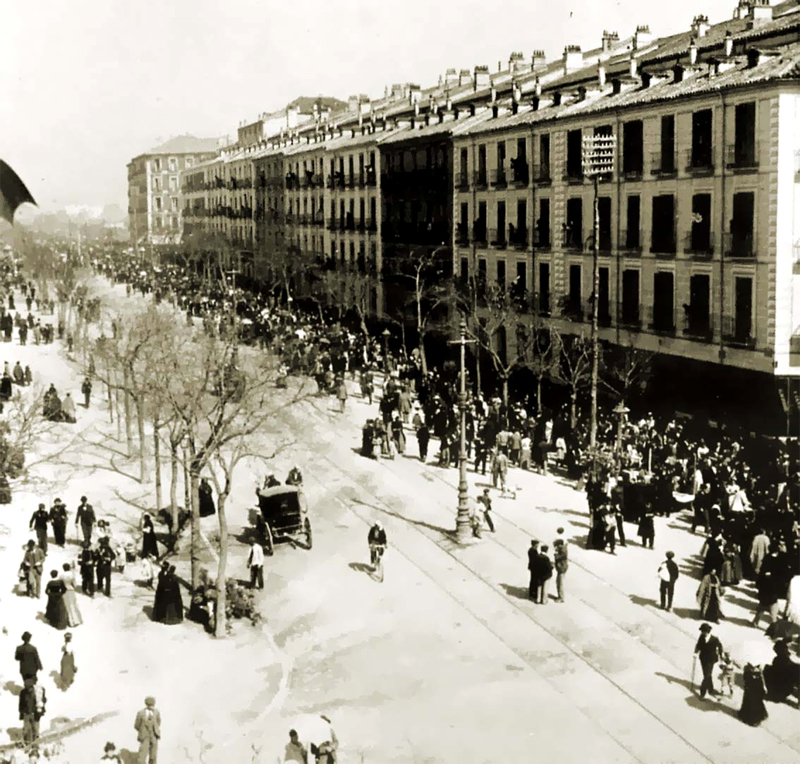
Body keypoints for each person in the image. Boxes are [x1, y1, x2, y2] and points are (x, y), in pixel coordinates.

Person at [694, 622, 723, 699]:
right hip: (703, 659)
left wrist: (721, 655)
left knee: (707, 676)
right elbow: (698, 645)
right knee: (707, 674)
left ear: (707, 631)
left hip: (711, 660)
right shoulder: (701, 637)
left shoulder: (714, 639)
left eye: (703, 631)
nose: (702, 633)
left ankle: (702, 693)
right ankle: (710, 689)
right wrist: (695, 652)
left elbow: (720, 647)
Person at [19, 677, 45, 749]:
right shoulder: (23, 692)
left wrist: (40, 712)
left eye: (28, 686)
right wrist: (21, 714)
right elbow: (21, 704)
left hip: (34, 714)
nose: (27, 688)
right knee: (28, 730)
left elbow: (41, 702)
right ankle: (28, 744)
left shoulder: (37, 692)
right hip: (27, 714)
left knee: (35, 730)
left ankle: (35, 745)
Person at [134, 696, 161, 764]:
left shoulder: (156, 712)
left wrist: (155, 730)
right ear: (147, 705)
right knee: (142, 757)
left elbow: (158, 722)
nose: (152, 707)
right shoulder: (140, 713)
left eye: (153, 705)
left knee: (153, 757)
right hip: (144, 737)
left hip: (154, 736)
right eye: (150, 705)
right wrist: (143, 730)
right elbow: (136, 725)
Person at [553, 529, 568, 602]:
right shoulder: (562, 548)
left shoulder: (562, 550)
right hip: (561, 568)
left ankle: (561, 598)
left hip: (561, 568)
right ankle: (560, 596)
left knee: (560, 583)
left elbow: (563, 556)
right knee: (558, 582)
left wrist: (556, 556)